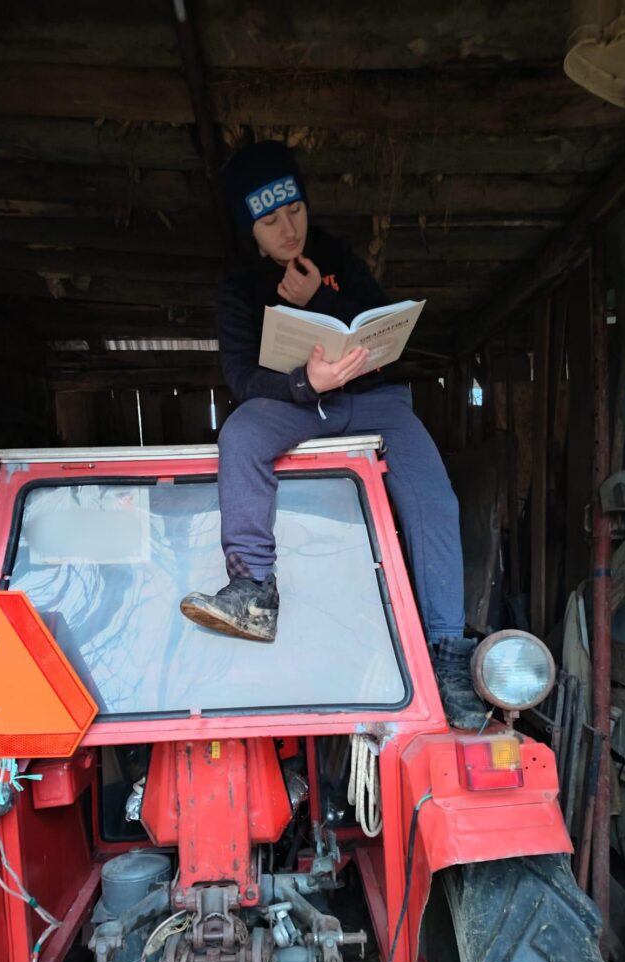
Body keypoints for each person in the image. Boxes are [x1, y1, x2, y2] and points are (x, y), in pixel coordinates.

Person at [180, 141, 484, 729]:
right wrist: (305, 382)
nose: (288, 228)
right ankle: (253, 591)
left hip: (374, 404)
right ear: (251, 228)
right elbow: (242, 379)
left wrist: (321, 297)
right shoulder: (239, 288)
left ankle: (447, 652)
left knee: (434, 497)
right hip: (297, 406)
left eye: (295, 210)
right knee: (240, 435)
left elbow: (386, 329)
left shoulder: (335, 254)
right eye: (271, 220)